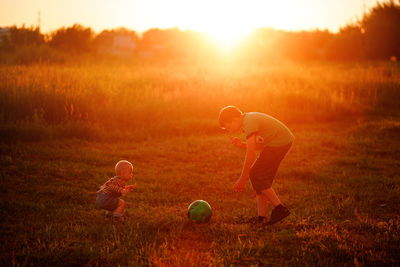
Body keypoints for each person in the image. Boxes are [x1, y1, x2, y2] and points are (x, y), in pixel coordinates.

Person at [219, 106, 294, 225]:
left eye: (229, 127)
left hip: (279, 142)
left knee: (255, 173)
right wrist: (242, 145)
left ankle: (280, 208)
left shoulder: (249, 122)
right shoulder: (247, 121)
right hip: (278, 142)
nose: (230, 130)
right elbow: (257, 145)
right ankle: (261, 217)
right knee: (259, 178)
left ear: (234, 119)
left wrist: (243, 179)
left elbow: (251, 153)